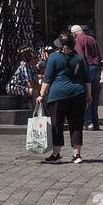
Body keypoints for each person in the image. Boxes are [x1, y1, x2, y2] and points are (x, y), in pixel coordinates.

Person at [39, 32, 91, 164]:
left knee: (57, 125)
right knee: (76, 124)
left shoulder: (54, 57)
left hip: (58, 95)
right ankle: (77, 154)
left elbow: (48, 78)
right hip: (78, 94)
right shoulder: (79, 58)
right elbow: (86, 79)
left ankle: (56, 154)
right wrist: (89, 95)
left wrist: (41, 94)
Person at [71, 24, 102, 131]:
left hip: (87, 68)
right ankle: (96, 122)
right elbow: (99, 55)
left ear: (74, 33)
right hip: (96, 68)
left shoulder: (78, 40)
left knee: (86, 96)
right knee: (95, 96)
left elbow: (80, 57)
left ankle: (88, 122)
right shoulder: (92, 39)